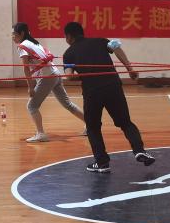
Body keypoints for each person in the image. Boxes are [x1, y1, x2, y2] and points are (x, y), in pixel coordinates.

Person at [62, 21, 155, 173]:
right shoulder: (100, 41)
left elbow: (69, 77)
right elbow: (117, 47)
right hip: (113, 86)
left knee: (92, 127)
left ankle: (102, 162)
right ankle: (139, 151)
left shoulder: (68, 54)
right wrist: (129, 69)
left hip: (92, 92)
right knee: (125, 123)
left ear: (69, 36)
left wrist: (86, 75)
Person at [12, 22, 85, 143]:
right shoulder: (34, 42)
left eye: (14, 34)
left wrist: (30, 87)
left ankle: (41, 134)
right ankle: (90, 125)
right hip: (55, 74)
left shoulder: (22, 46)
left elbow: (26, 68)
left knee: (32, 106)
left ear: (22, 33)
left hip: (47, 77)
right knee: (67, 104)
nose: (13, 37)